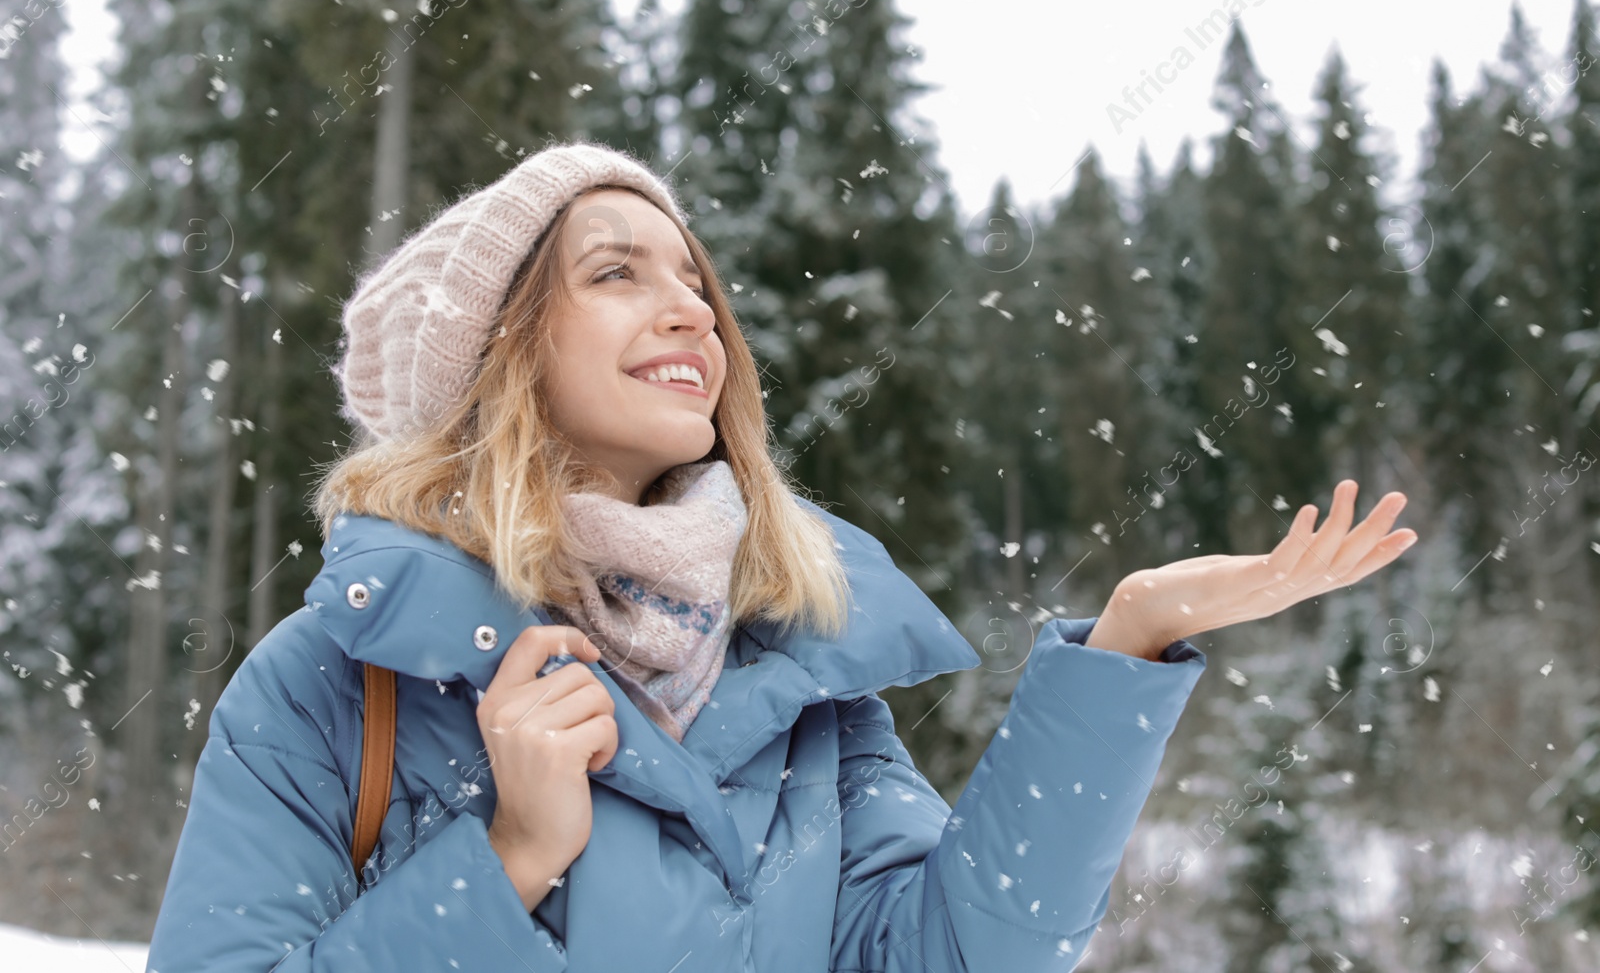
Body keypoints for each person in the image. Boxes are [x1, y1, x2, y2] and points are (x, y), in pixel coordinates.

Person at [143, 140, 1416, 972]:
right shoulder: (331, 684)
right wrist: (505, 859)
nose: (693, 304)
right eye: (615, 270)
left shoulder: (798, 677)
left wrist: (1127, 642)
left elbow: (950, 955)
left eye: (695, 279)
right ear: (499, 353)